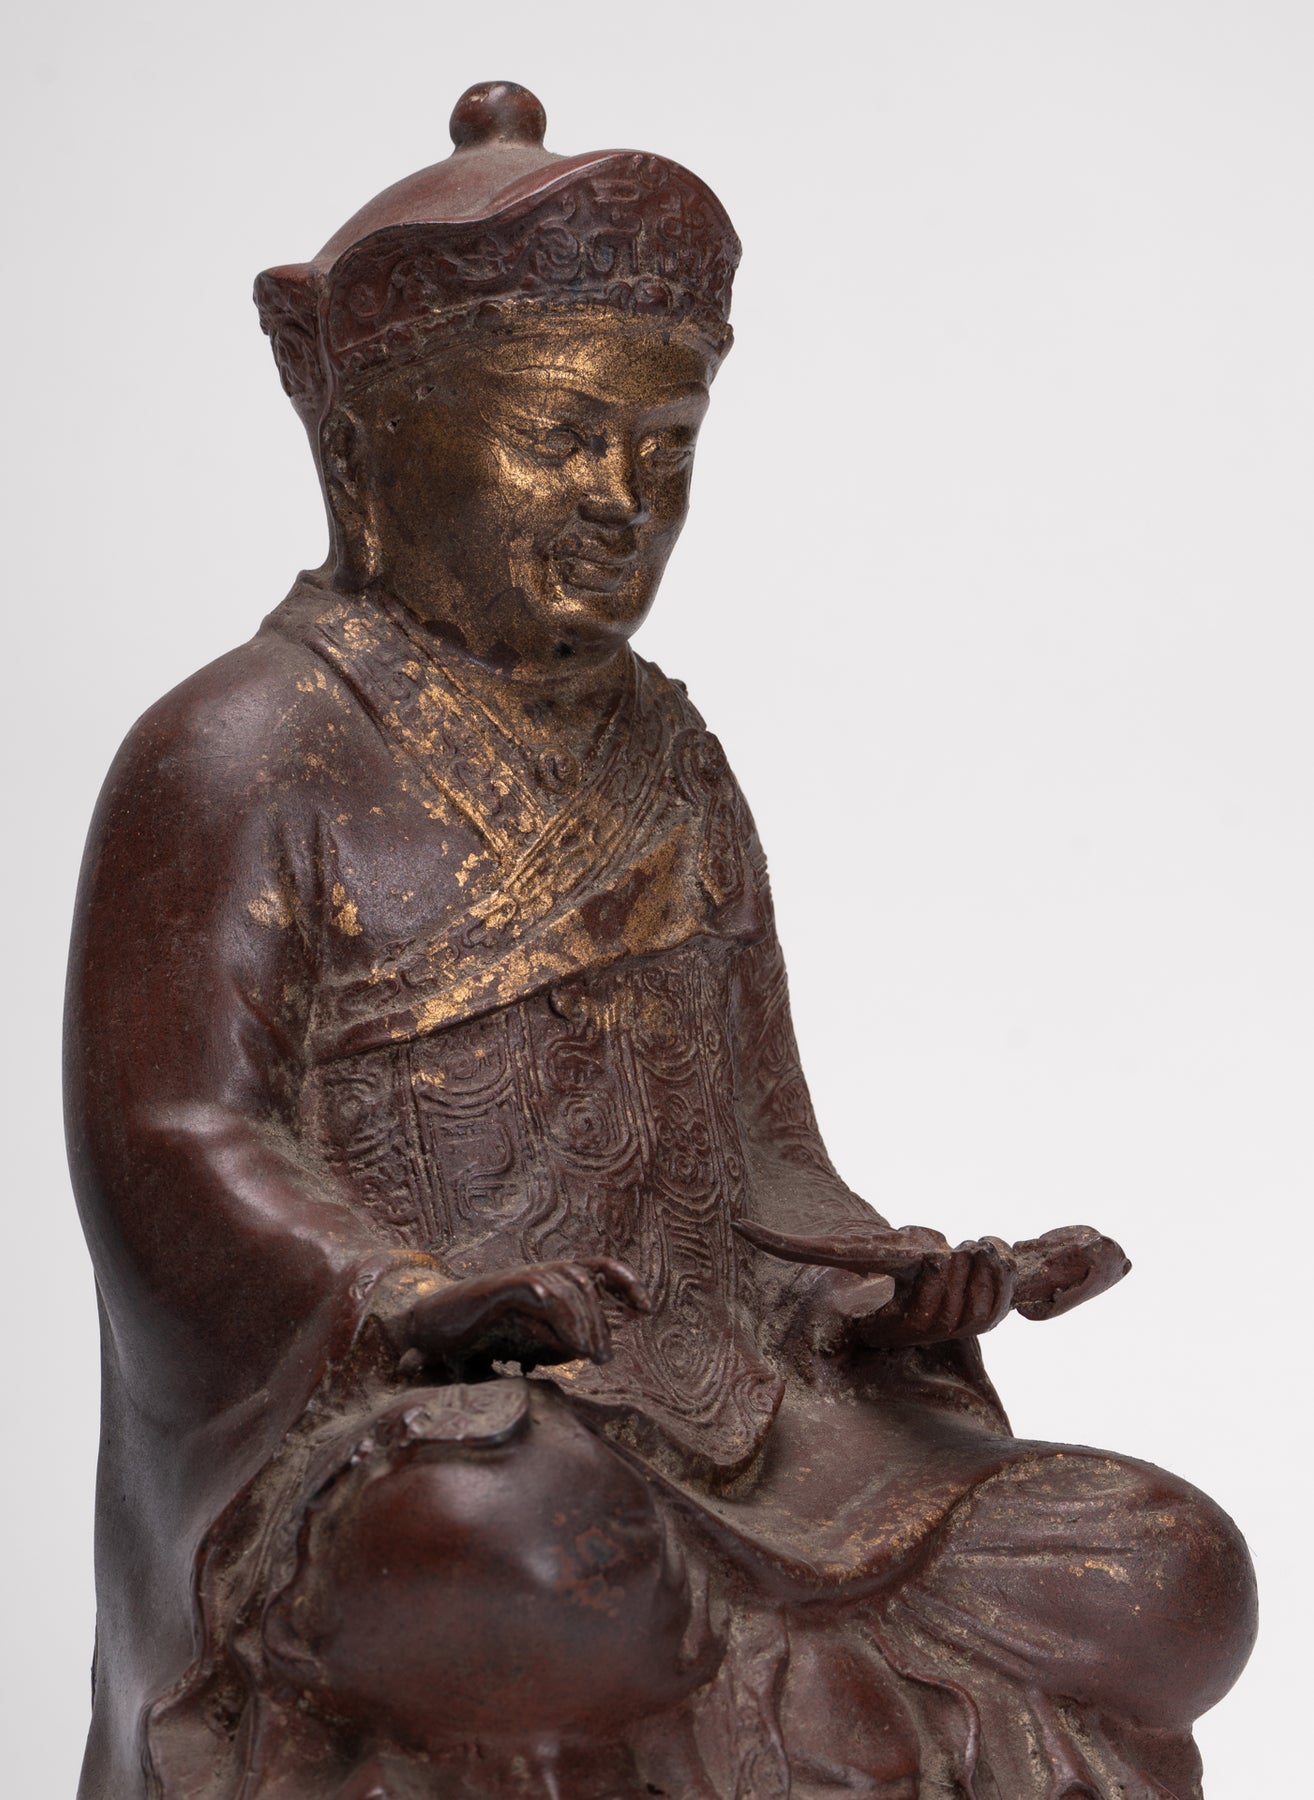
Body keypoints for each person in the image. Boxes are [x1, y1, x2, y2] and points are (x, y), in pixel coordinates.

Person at [66, 81, 1255, 1800]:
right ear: (371, 444)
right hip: (443, 1435)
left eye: (667, 450)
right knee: (530, 1559)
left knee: (1158, 1562)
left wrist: (885, 1290)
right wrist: (406, 1295)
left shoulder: (673, 756)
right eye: (559, 438)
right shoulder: (238, 749)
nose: (623, 498)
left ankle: (738, 1687)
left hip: (744, 1420)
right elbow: (174, 1131)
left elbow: (757, 1150)